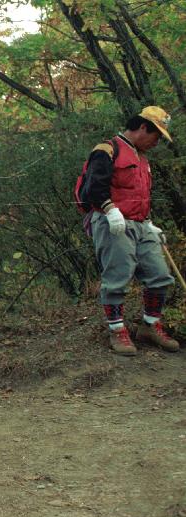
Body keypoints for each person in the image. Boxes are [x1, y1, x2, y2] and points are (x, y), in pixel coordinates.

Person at [82, 106, 179, 355]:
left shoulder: (143, 159)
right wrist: (110, 210)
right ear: (143, 127)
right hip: (111, 221)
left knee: (160, 275)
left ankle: (149, 326)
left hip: (140, 223)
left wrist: (149, 223)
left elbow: (140, 196)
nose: (157, 142)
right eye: (156, 136)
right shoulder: (107, 149)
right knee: (118, 276)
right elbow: (92, 188)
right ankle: (117, 330)